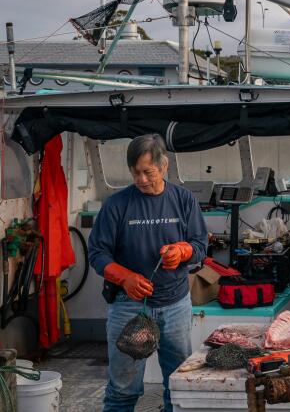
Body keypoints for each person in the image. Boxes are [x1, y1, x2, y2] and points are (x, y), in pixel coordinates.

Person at [88, 134, 209, 412]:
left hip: (175, 305)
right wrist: (125, 278)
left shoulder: (184, 200)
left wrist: (182, 251)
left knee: (178, 383)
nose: (141, 180)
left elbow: (200, 245)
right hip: (128, 306)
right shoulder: (116, 205)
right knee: (122, 388)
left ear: (164, 166)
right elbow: (97, 254)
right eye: (135, 173)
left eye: (148, 172)